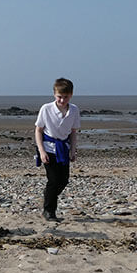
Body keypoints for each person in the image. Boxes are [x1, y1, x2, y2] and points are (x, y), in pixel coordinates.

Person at [34, 78, 80, 222]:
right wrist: (41, 151)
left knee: (63, 180)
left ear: (71, 95)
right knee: (53, 180)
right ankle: (49, 212)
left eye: (65, 97)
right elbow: (38, 130)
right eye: (59, 97)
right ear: (55, 94)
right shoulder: (46, 108)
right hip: (48, 147)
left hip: (63, 149)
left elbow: (73, 132)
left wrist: (73, 150)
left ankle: (49, 194)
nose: (62, 100)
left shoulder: (74, 110)